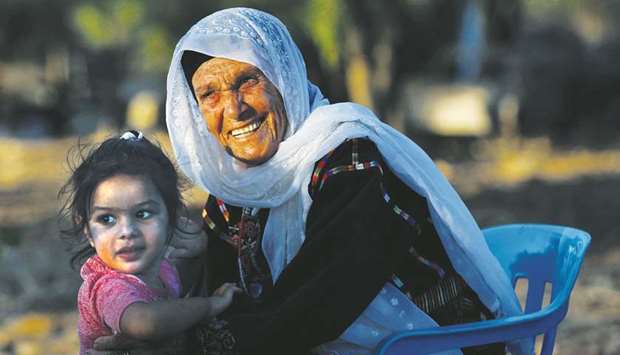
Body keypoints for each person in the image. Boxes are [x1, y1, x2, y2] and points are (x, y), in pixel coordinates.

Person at [96, 7, 534, 355]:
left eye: (248, 81)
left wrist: (183, 344)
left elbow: (320, 303)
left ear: (284, 79)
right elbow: (224, 295)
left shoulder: (348, 158)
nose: (234, 109)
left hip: (425, 344)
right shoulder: (236, 190)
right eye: (210, 95)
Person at [59, 130, 241, 355]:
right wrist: (209, 306)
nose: (126, 232)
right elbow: (147, 323)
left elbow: (177, 287)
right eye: (107, 219)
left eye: (143, 214)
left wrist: (194, 254)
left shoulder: (159, 269)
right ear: (87, 229)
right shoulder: (107, 286)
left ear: (171, 217)